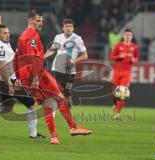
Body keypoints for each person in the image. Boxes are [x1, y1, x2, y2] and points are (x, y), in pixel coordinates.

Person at [14, 10, 92, 144]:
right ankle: (73, 128)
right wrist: (36, 77)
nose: (41, 23)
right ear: (31, 20)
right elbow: (32, 58)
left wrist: (18, 78)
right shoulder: (32, 35)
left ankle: (54, 137)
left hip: (26, 76)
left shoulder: (22, 36)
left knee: (47, 104)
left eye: (42, 21)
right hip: (37, 74)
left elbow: (16, 57)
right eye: (38, 20)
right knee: (60, 97)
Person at [44, 18, 88, 111]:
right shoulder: (58, 37)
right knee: (54, 91)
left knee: (67, 94)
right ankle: (51, 114)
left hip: (70, 71)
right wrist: (43, 56)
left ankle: (68, 113)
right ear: (63, 28)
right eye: (66, 26)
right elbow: (52, 49)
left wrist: (74, 60)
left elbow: (85, 55)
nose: (68, 28)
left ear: (73, 28)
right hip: (57, 69)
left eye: (70, 26)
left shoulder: (78, 39)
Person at [109, 29, 139, 118]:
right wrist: (119, 56)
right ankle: (115, 104)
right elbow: (111, 56)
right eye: (126, 35)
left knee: (122, 92)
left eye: (129, 35)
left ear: (132, 37)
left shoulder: (134, 47)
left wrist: (134, 59)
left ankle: (118, 113)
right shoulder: (118, 45)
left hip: (126, 73)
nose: (127, 37)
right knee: (114, 92)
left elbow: (136, 58)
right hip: (117, 72)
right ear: (123, 36)